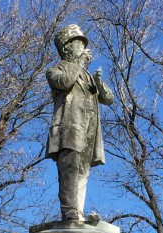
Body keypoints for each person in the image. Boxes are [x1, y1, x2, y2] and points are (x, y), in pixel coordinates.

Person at [46, 25, 114, 221]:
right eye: (78, 44)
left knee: (83, 170)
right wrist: (79, 64)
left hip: (89, 130)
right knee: (70, 169)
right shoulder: (56, 69)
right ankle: (70, 213)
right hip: (69, 128)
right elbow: (64, 82)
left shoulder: (87, 75)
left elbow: (108, 99)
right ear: (67, 47)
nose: (83, 48)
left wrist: (99, 84)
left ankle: (79, 213)